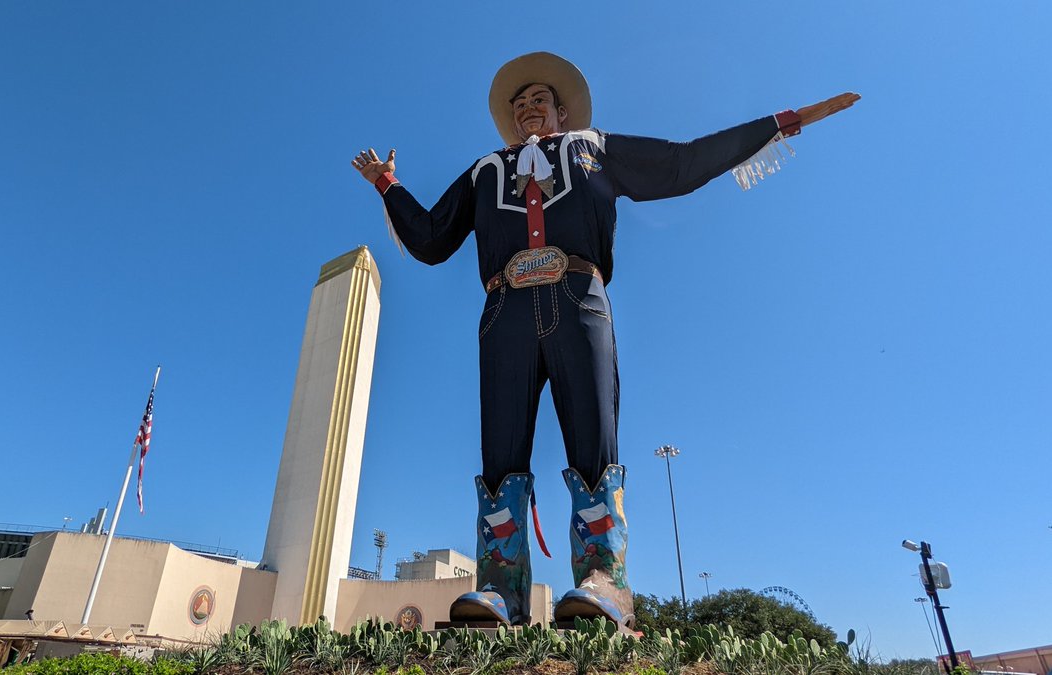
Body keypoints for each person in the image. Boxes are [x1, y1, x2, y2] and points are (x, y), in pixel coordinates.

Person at [352, 52, 858, 627]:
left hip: (577, 295)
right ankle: (501, 589)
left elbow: (681, 163)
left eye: (538, 99)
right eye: (518, 105)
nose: (527, 109)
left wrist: (781, 123)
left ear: (562, 110)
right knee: (501, 448)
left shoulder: (595, 148)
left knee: (593, 437)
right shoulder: (484, 171)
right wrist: (387, 185)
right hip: (505, 306)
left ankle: (603, 580)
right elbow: (432, 238)